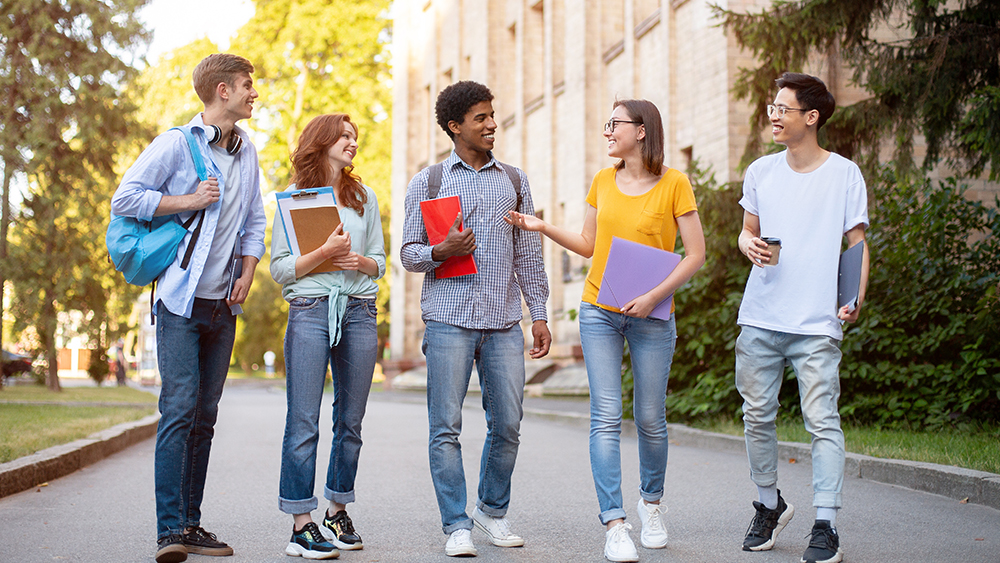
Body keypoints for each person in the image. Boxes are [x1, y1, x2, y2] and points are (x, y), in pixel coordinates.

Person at [506, 99, 705, 562]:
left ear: (642, 130)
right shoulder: (603, 180)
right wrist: (541, 226)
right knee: (605, 416)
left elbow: (695, 253)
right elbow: (589, 245)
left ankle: (651, 505)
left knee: (651, 418)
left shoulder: (674, 183)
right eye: (607, 122)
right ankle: (614, 523)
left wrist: (655, 296)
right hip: (599, 308)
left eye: (614, 123)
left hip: (652, 314)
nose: (607, 131)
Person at [111, 53, 265, 563]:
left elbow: (254, 222)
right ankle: (169, 530)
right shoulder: (176, 144)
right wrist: (189, 201)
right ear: (222, 90)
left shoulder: (246, 153)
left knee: (205, 416)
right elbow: (125, 198)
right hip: (179, 301)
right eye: (247, 85)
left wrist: (246, 271)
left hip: (223, 305)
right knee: (179, 408)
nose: (254, 93)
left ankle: (192, 524)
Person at [400, 80, 551, 557]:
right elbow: (407, 253)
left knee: (507, 423)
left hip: (505, 322)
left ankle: (491, 510)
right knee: (445, 427)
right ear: (454, 126)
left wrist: (539, 314)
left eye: (492, 115)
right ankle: (456, 524)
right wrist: (439, 252)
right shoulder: (429, 183)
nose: (492, 124)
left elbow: (528, 252)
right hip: (448, 322)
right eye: (480, 118)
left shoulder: (515, 180)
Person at [735, 72, 869, 563]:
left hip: (815, 323)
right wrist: (748, 245)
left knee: (822, 422)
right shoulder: (761, 172)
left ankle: (826, 524)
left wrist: (852, 296)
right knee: (756, 416)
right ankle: (769, 504)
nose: (773, 115)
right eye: (772, 107)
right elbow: (746, 233)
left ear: (810, 118)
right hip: (761, 317)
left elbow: (857, 243)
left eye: (782, 108)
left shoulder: (844, 174)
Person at [270, 113, 386, 560]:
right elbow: (280, 268)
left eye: (355, 136)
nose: (352, 142)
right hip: (311, 309)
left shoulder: (364, 198)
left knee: (350, 421)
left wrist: (359, 262)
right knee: (303, 420)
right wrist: (325, 253)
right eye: (344, 136)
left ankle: (337, 511)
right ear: (322, 142)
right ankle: (302, 524)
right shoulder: (296, 199)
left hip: (358, 311)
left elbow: (379, 259)